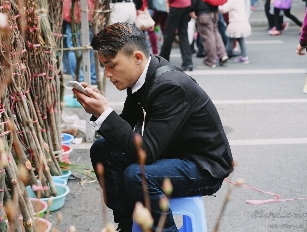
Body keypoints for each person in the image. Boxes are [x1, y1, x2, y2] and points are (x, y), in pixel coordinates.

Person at [72, 22, 233, 232]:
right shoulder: (141, 79)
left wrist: (104, 114)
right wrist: (100, 111)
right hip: (173, 151)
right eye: (104, 66)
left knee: (138, 175)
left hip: (203, 165)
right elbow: (127, 130)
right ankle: (127, 225)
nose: (108, 74)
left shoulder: (169, 86)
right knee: (103, 149)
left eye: (112, 65)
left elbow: (145, 152)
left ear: (137, 58)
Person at [62, 0, 99, 84]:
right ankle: (93, 77)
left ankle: (79, 78)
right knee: (90, 45)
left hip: (71, 11)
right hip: (89, 10)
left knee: (73, 46)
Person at [219, 0, 251, 64]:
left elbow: (225, 8)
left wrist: (217, 6)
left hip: (236, 22)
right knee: (238, 40)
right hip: (241, 21)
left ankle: (224, 55)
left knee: (231, 40)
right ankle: (243, 56)